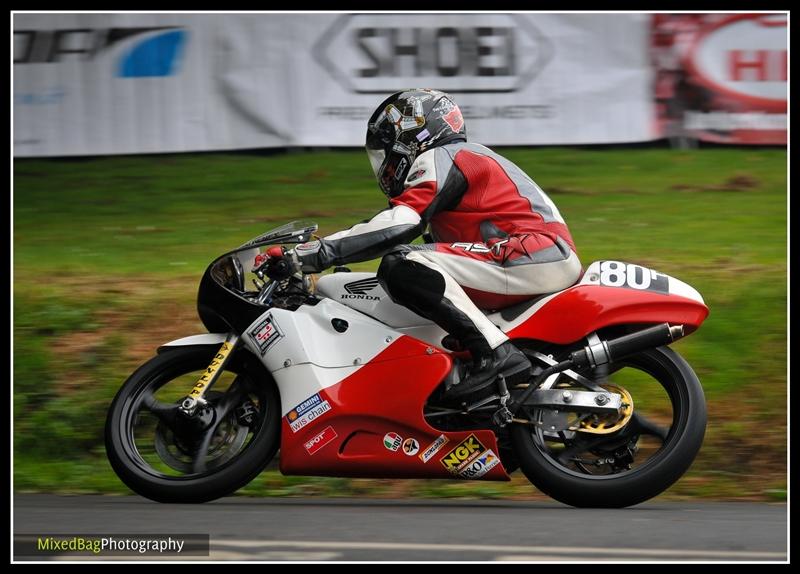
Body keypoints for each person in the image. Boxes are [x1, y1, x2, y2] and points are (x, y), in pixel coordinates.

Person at [278, 89, 582, 399]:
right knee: (417, 276)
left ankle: (496, 355)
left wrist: (316, 252)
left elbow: (400, 223)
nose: (384, 163)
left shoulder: (442, 156)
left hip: (531, 253)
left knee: (404, 264)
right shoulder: (463, 162)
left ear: (409, 136)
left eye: (385, 150)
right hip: (531, 254)